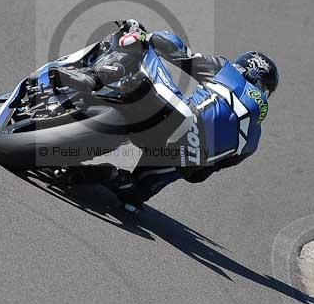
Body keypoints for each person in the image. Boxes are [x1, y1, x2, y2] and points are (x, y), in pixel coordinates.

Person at [48, 20, 278, 212]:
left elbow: (178, 53)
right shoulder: (253, 140)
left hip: (171, 118)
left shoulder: (226, 71)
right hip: (182, 157)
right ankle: (110, 176)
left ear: (244, 68)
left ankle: (94, 76)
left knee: (139, 40)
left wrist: (148, 35)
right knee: (133, 196)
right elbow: (198, 176)